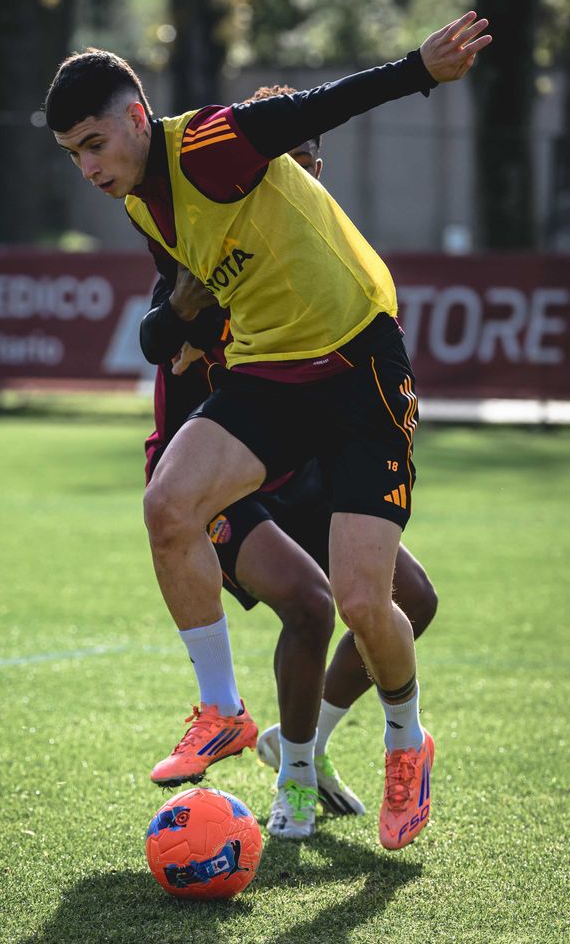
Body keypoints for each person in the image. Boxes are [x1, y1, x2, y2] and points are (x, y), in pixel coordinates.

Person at [45, 11, 491, 851]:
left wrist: (419, 69)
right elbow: (161, 324)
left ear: (137, 118)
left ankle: (406, 742)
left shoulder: (208, 146)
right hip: (270, 372)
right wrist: (174, 332)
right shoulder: (146, 207)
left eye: (95, 143)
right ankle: (221, 708)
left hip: (358, 362)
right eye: (73, 153)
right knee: (167, 503)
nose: (88, 166)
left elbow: (317, 105)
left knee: (369, 601)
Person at [138, 105, 437, 839]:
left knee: (410, 601)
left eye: (309, 162)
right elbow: (154, 339)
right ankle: (293, 781)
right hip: (221, 475)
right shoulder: (206, 250)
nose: (297, 175)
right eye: (281, 163)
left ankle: (304, 745)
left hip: (297, 460)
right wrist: (179, 310)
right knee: (309, 605)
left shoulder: (310, 258)